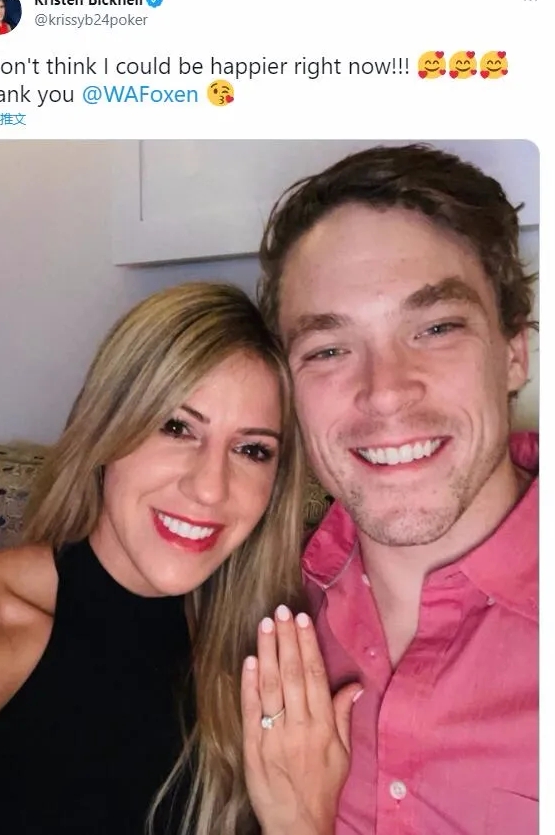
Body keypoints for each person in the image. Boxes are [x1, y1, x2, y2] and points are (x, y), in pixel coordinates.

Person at [243, 143, 538, 835]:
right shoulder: (258, 596)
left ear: (514, 353)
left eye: (435, 328)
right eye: (328, 349)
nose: (384, 391)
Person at [0, 281, 317, 835]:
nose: (210, 488)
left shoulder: (267, 660)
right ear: (107, 431)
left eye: (252, 450)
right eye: (177, 427)